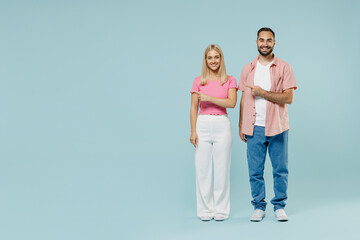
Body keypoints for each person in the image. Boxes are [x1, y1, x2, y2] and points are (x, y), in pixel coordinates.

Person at [238, 28, 297, 222]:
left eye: (269, 40)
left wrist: (263, 92)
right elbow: (243, 99)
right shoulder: (248, 69)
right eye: (262, 40)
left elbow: (288, 97)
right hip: (254, 127)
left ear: (274, 42)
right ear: (256, 42)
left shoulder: (284, 67)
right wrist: (241, 124)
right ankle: (258, 207)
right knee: (255, 170)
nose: (265, 43)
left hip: (277, 126)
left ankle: (279, 206)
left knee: (280, 169)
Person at [190, 44, 237, 221]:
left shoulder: (230, 80)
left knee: (222, 169)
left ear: (221, 58)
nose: (213, 61)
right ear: (205, 60)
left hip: (222, 124)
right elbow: (193, 108)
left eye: (216, 57)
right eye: (210, 58)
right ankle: (205, 210)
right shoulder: (198, 81)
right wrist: (193, 131)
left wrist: (209, 98)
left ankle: (221, 211)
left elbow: (231, 103)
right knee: (202, 169)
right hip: (202, 124)